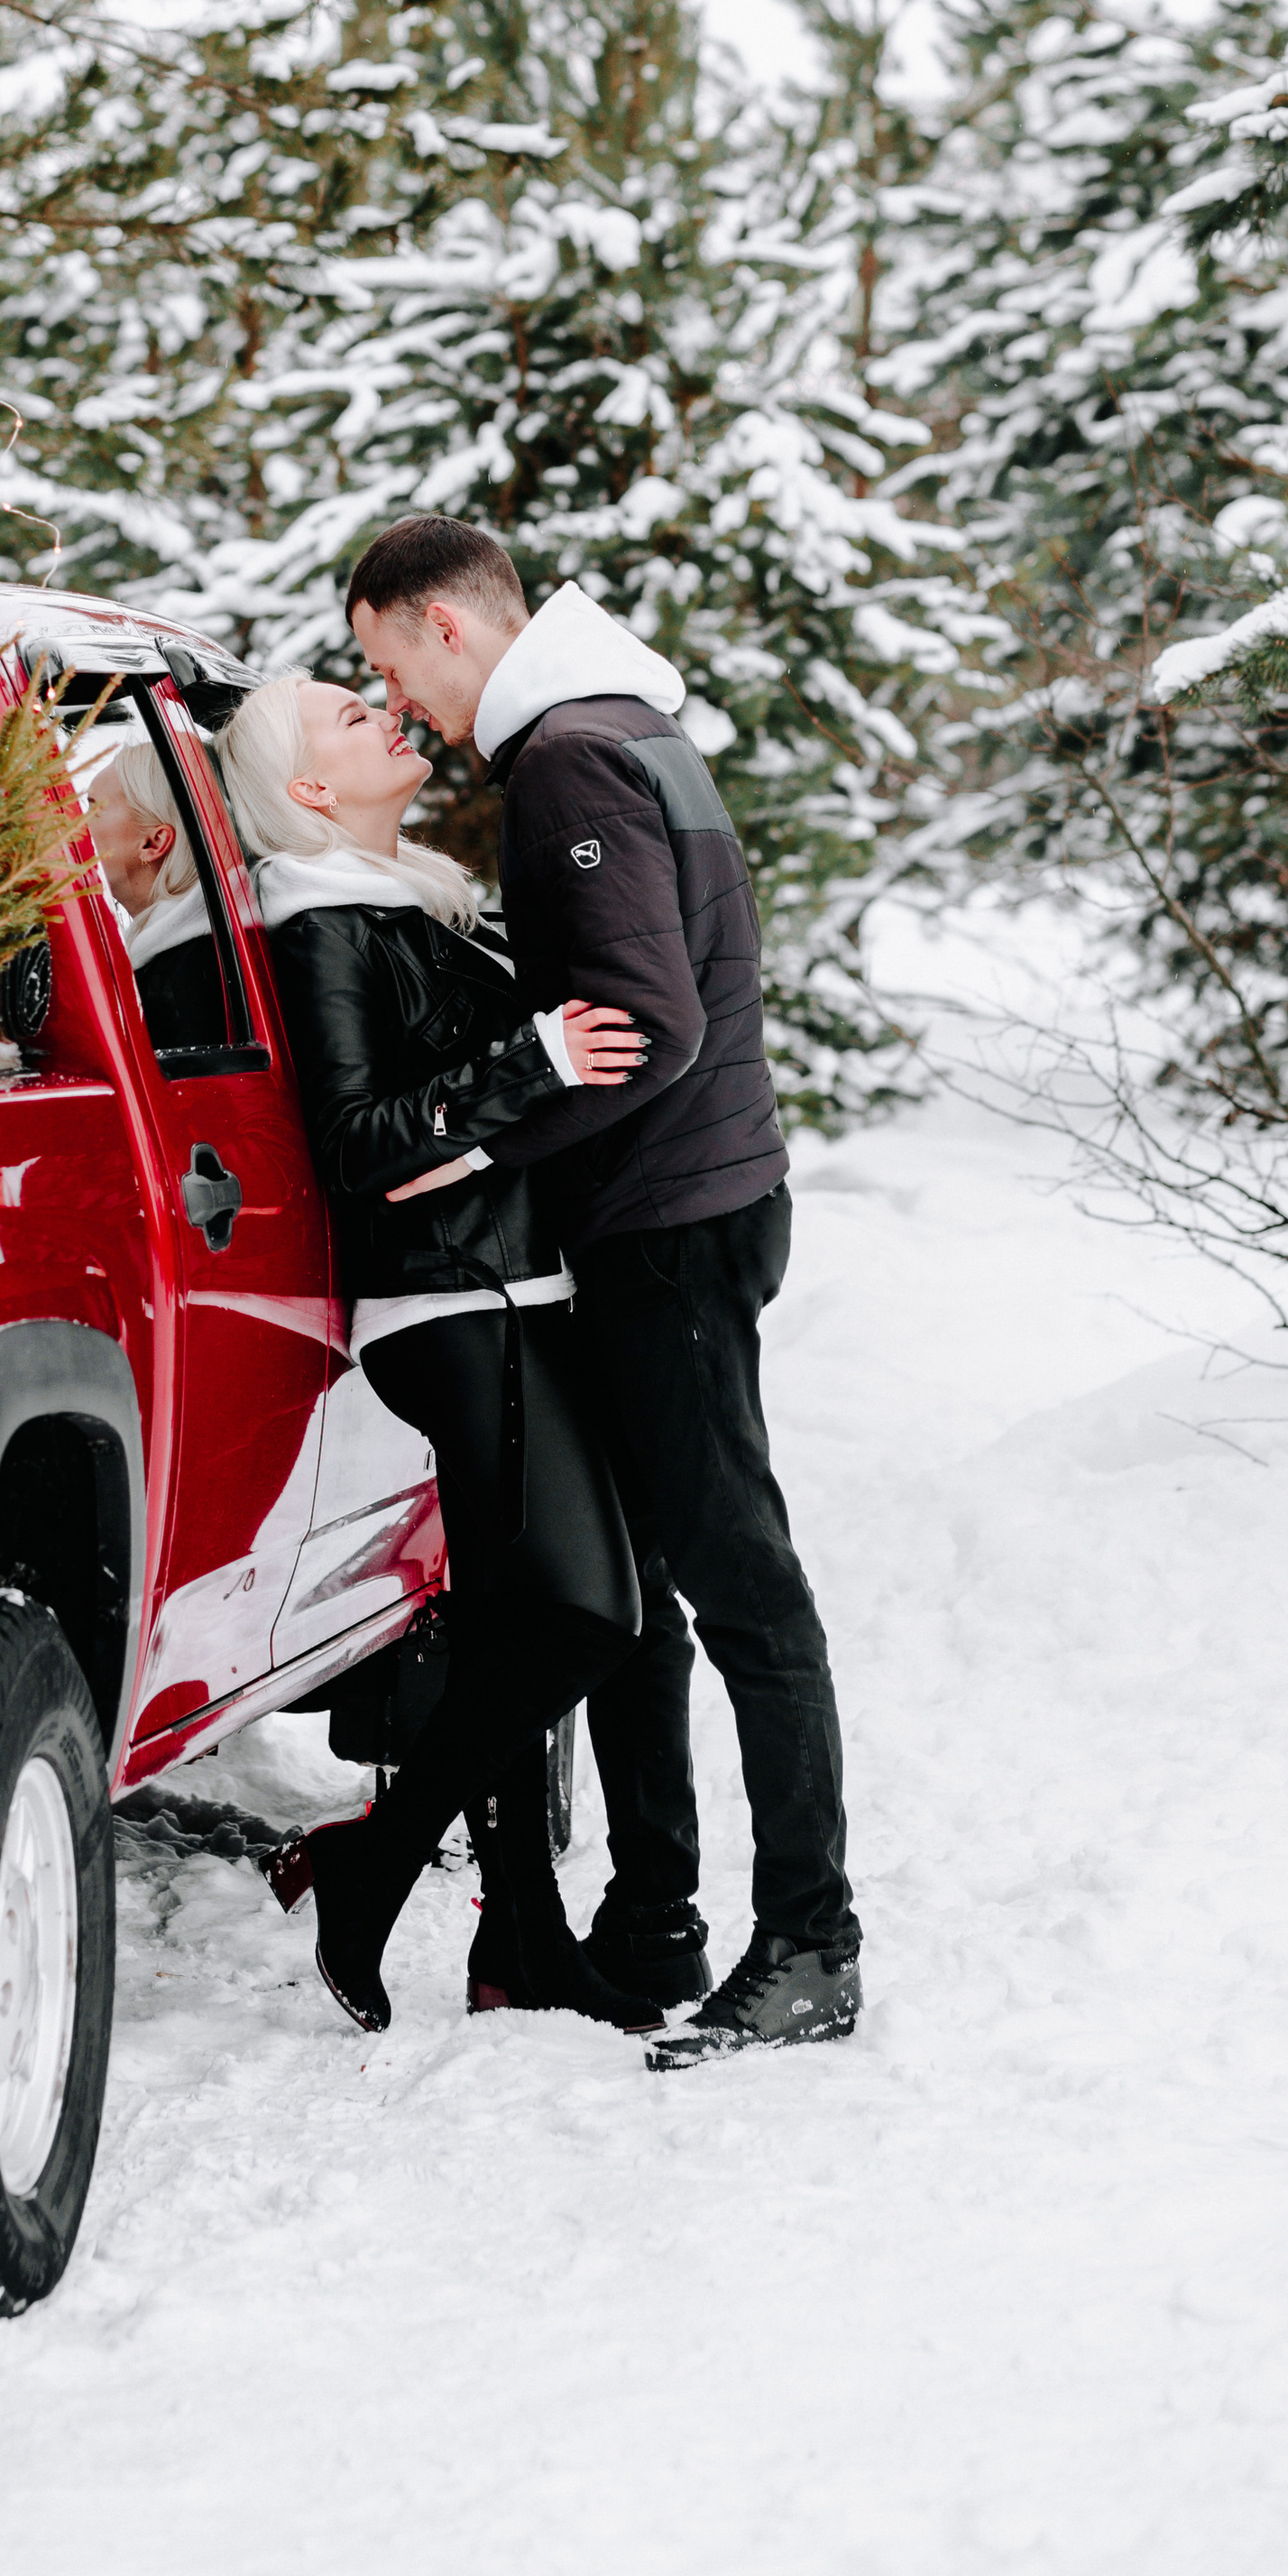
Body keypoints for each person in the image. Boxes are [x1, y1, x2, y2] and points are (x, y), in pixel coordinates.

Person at [343, 515, 862, 2067]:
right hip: (691, 1211)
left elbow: (650, 1017)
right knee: (646, 1597)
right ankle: (654, 1929)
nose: (407, 711)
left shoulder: (569, 756)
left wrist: (478, 1143)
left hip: (670, 1227)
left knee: (739, 1585)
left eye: (389, 667)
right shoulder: (636, 726)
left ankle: (814, 1944)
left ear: (443, 626)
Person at [216, 670, 664, 2036]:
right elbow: (357, 1144)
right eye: (352, 721)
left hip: (505, 1293)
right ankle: (374, 1858)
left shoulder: (407, 898)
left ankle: (520, 1945)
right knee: (591, 1616)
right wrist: (529, 1061)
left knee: (512, 1633)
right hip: (454, 1310)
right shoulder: (321, 923)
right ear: (306, 791)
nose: (388, 719)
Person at [84, 741, 226, 1053]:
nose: (75, 827)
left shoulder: (185, 980)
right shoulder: (203, 952)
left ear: (153, 842)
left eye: (93, 809)